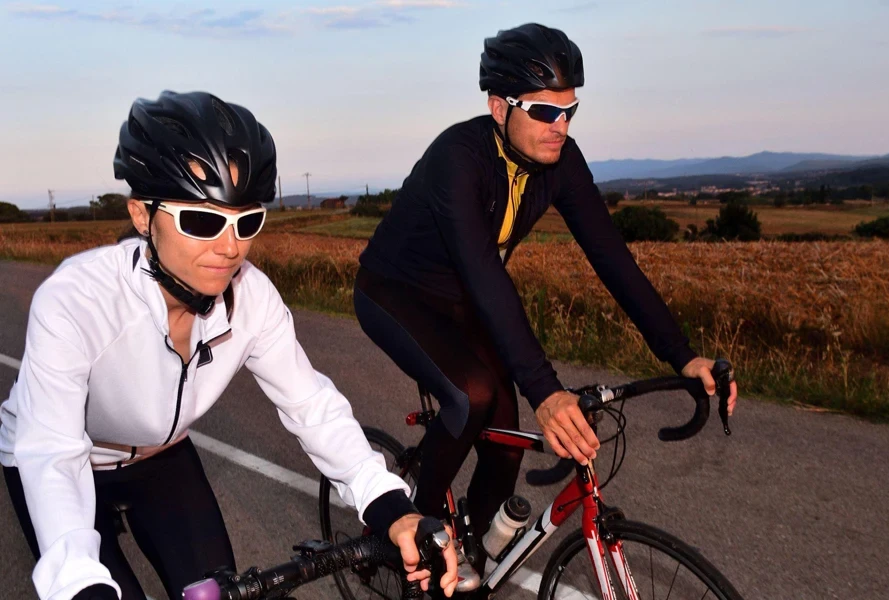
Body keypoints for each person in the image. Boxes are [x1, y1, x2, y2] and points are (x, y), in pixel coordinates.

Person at [0, 91, 456, 600]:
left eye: (246, 221)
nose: (230, 247)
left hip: (161, 457)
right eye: (202, 220)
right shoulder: (75, 301)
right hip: (67, 461)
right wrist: (79, 584)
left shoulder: (252, 297)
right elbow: (54, 455)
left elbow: (311, 405)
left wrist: (390, 504)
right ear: (141, 215)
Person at [353, 23, 739, 588]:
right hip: (395, 294)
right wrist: (547, 391)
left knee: (506, 442)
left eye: (569, 112)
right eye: (543, 112)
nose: (559, 126)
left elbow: (614, 261)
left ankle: (478, 563)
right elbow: (485, 276)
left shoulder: (562, 162)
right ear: (497, 106)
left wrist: (682, 355)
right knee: (474, 394)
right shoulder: (456, 159)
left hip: (462, 303)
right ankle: (412, 538)